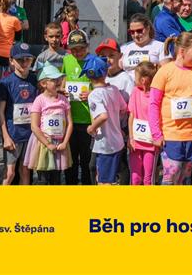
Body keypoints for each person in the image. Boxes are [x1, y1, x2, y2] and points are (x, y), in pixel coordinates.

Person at [148, 32, 192, 185]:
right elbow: (153, 104)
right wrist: (156, 134)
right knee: (171, 174)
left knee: (185, 177)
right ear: (182, 51)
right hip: (171, 134)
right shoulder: (165, 71)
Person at [24, 63, 72, 185]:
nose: (58, 82)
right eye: (54, 80)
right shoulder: (39, 100)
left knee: (56, 178)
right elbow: (34, 126)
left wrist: (65, 142)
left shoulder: (63, 100)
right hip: (43, 143)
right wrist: (48, 143)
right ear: (43, 84)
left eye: (59, 79)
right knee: (43, 179)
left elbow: (70, 123)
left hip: (60, 143)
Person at [83, 55, 127, 186]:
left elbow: (103, 116)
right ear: (105, 72)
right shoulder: (113, 89)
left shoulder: (94, 95)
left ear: (88, 76)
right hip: (117, 141)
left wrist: (91, 128)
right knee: (111, 178)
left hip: (105, 145)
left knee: (104, 181)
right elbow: (123, 108)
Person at [0, 43, 37, 185]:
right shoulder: (6, 83)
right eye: (20, 60)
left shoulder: (35, 80)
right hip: (13, 135)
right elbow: (0, 112)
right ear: (11, 60)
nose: (24, 63)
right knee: (9, 173)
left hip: (30, 135)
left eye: (27, 59)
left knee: (25, 170)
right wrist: (6, 137)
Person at [61, 29, 93, 185]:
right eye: (73, 49)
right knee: (71, 160)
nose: (77, 52)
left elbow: (101, 85)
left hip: (88, 119)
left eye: (81, 48)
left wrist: (91, 94)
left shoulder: (94, 61)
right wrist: (62, 90)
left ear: (87, 46)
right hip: (70, 120)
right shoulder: (67, 60)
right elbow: (63, 81)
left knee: (87, 161)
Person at [126, 62, 158, 185]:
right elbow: (131, 116)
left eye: (135, 76)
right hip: (136, 143)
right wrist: (131, 138)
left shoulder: (156, 93)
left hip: (150, 143)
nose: (134, 79)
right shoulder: (135, 92)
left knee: (148, 179)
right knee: (135, 178)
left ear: (143, 80)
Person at [120, 14, 167, 78]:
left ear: (148, 29)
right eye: (132, 32)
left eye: (139, 31)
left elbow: (166, 72)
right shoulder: (124, 48)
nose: (136, 35)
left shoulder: (160, 46)